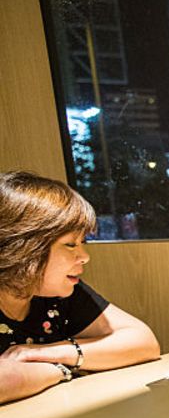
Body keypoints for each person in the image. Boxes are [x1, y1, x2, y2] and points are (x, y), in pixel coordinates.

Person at [0, 172, 159, 405]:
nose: (84, 257)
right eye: (70, 245)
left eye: (82, 243)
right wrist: (60, 370)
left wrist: (51, 352)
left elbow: (144, 342)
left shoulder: (58, 293)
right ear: (24, 248)